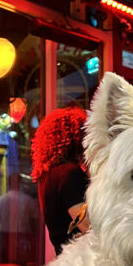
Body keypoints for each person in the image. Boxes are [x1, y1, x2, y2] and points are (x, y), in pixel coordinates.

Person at [31, 105, 89, 255]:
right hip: (82, 262)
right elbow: (89, 226)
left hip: (66, 260)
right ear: (76, 138)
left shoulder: (47, 176)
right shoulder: (69, 173)